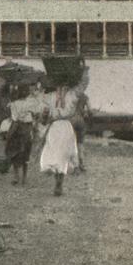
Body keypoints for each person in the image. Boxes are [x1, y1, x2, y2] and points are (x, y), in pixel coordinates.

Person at [40, 67, 89, 196]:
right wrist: (84, 72)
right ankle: (59, 181)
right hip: (64, 127)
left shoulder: (50, 96)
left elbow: (44, 114)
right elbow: (83, 86)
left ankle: (58, 180)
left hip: (57, 127)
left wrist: (44, 120)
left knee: (57, 154)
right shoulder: (71, 95)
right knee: (62, 155)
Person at [5, 83, 42, 185]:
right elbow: (38, 114)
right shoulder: (31, 103)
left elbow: (12, 117)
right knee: (26, 152)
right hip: (26, 128)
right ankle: (24, 178)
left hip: (16, 128)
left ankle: (16, 176)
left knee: (15, 151)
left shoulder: (13, 103)